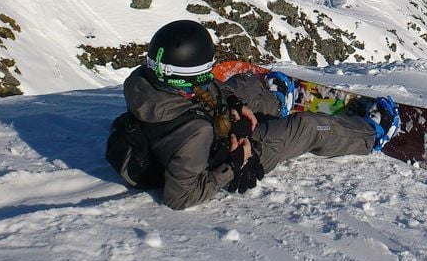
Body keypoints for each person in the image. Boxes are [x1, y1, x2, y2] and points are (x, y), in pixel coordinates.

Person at [122, 19, 400, 210]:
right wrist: (234, 164)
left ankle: (275, 101)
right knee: (307, 127)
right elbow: (180, 197)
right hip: (231, 154)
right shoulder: (195, 133)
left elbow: (204, 88)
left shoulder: (145, 82)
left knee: (240, 86)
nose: (209, 74)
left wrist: (233, 102)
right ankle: (371, 134)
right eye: (205, 70)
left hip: (207, 125)